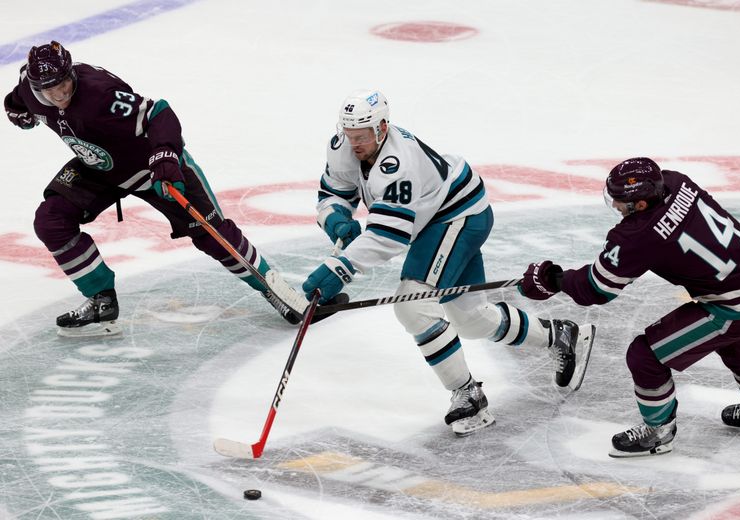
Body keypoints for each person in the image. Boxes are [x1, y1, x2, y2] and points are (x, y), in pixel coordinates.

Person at [301, 89, 596, 436]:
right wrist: (336, 218)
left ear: (382, 127)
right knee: (470, 320)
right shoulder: (342, 147)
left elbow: (388, 235)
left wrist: (340, 268)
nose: (354, 143)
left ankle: (467, 393)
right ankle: (558, 335)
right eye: (349, 135)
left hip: (457, 214)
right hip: (436, 219)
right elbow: (333, 193)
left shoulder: (398, 163)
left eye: (362, 136)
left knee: (412, 304)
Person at [3, 41, 307, 336]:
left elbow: (158, 113)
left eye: (62, 83)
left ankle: (272, 289)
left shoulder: (100, 94)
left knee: (212, 234)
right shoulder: (30, 88)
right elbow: (16, 100)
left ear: (71, 72)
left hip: (151, 167)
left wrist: (165, 158)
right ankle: (101, 299)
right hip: (99, 168)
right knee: (51, 219)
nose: (57, 93)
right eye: (48, 88)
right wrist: (17, 112)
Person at [519, 157, 740, 457]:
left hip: (736, 302)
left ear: (641, 204)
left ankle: (658, 431)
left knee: (646, 355)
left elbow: (596, 288)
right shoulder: (677, 181)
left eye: (621, 201)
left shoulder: (639, 236)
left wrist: (552, 280)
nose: (617, 207)